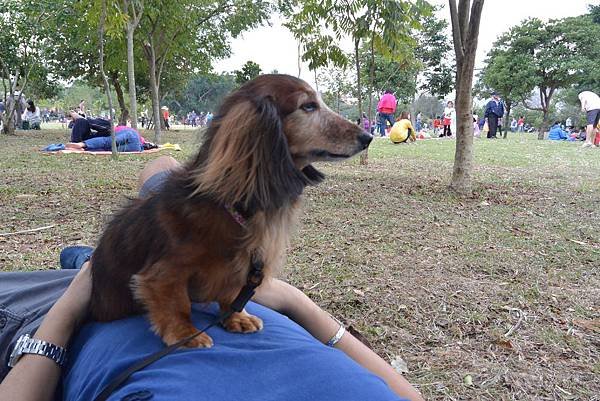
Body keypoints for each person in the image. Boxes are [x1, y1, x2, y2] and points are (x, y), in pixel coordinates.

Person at [0, 157, 425, 401]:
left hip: (103, 308)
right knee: (165, 171)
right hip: (230, 285)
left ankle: (80, 259)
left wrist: (68, 311)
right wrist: (296, 302)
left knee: (90, 261)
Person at [64, 127, 143, 152]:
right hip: (136, 148)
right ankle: (83, 148)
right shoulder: (124, 129)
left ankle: (82, 145)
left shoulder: (118, 128)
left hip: (133, 136)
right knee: (108, 149)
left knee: (108, 142)